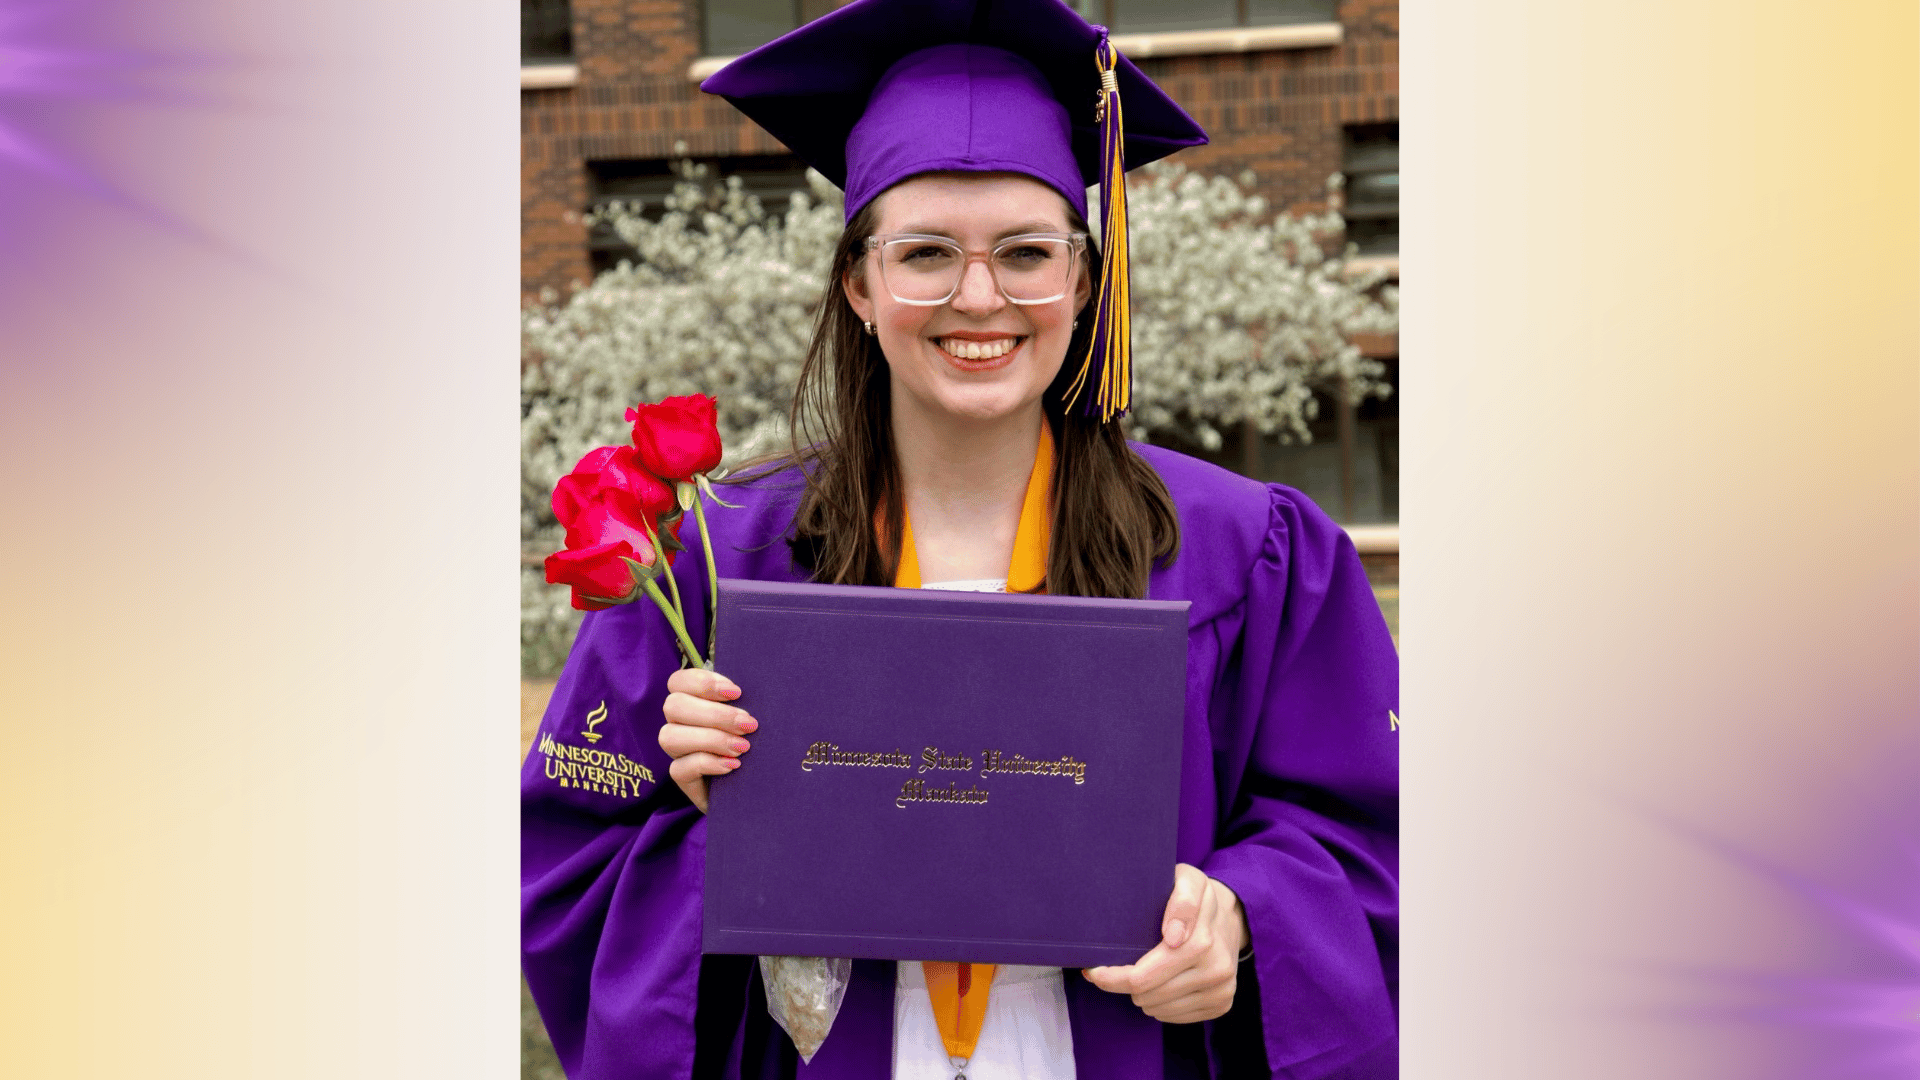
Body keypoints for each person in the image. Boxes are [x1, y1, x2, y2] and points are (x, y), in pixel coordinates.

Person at [520, 1, 1398, 1077]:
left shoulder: (1243, 553)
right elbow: (571, 870)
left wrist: (1245, 916)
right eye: (925, 253)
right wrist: (709, 816)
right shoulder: (714, 565)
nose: (979, 296)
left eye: (1027, 252)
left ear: (1083, 280)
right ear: (859, 284)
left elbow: (1371, 837)